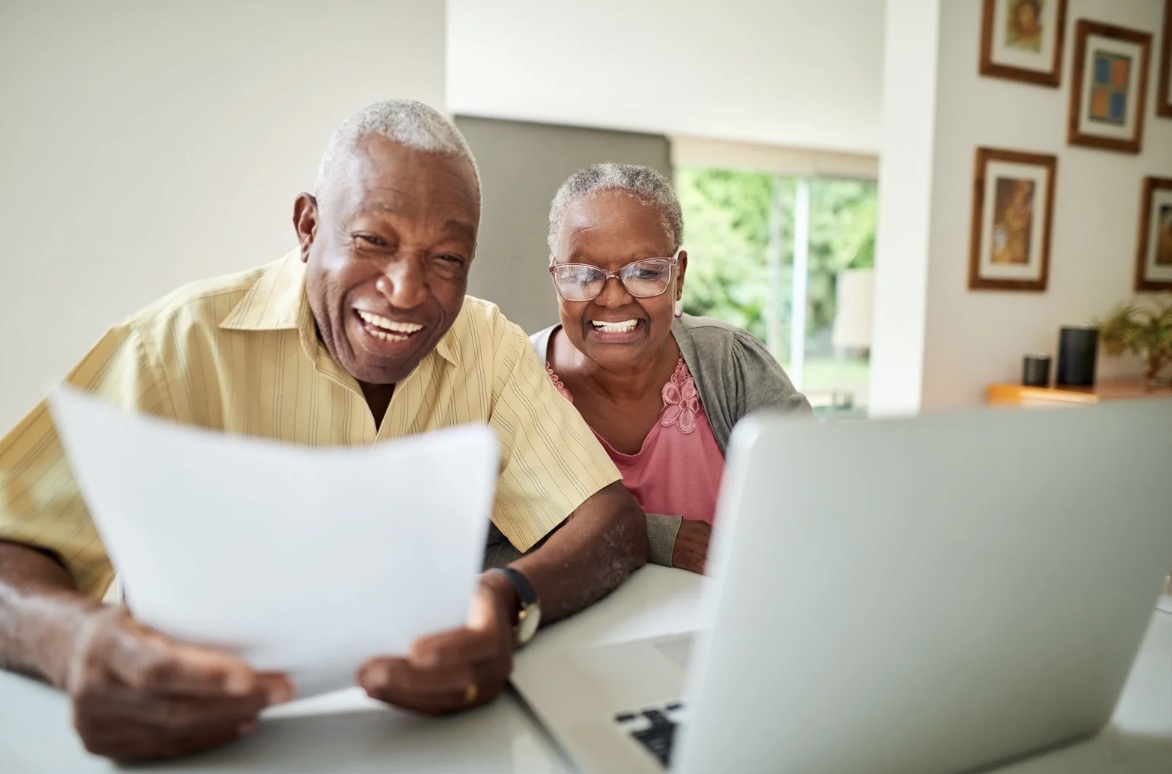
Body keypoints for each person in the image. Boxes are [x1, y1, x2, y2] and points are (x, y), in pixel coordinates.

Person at [0, 100, 646, 763]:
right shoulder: (172, 347)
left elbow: (607, 520)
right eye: (373, 241)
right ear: (308, 227)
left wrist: (509, 599)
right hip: (210, 748)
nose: (405, 290)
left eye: (446, 258)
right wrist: (74, 643)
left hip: (427, 746)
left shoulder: (488, 346)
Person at [529, 163, 810, 574]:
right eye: (584, 275)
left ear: (678, 277)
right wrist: (653, 538)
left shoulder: (730, 362)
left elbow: (816, 503)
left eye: (645, 272)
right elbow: (489, 548)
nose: (613, 299)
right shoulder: (516, 379)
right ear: (557, 278)